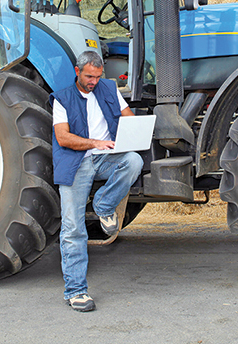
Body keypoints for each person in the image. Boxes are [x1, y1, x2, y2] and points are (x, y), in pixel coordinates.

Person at [50, 50, 144, 312]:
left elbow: (127, 117)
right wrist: (95, 143)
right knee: (73, 228)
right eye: (89, 76)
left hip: (105, 157)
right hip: (76, 163)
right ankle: (76, 291)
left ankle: (103, 205)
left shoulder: (108, 88)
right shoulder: (62, 99)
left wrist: (137, 131)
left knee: (134, 161)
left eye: (98, 76)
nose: (93, 82)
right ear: (78, 72)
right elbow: (63, 138)